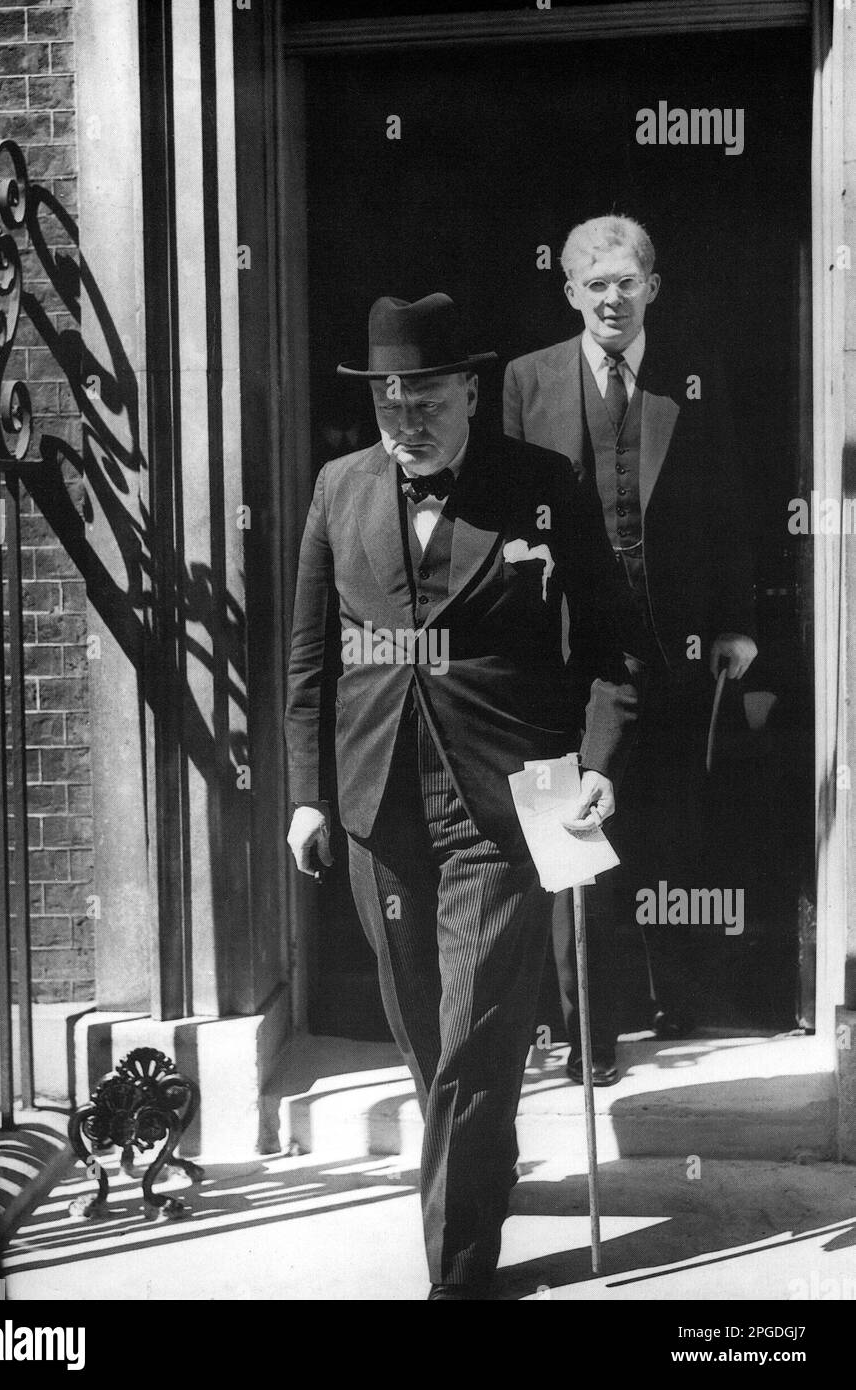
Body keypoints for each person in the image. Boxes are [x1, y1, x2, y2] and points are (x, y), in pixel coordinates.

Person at [285, 291, 644, 1299]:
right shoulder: (337, 488)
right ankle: (478, 1173)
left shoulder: (540, 486)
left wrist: (597, 771)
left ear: (471, 392)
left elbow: (616, 648)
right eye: (390, 398)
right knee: (429, 1040)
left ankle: (458, 1278)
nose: (408, 416)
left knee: (474, 1045)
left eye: (428, 395)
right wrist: (309, 796)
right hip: (376, 807)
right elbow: (310, 659)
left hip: (515, 801)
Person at [504, 214, 758, 1053]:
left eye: (627, 281)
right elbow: (505, 512)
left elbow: (725, 504)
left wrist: (734, 624)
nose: (612, 299)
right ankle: (586, 1034)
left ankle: (677, 1001)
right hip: (562, 650)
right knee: (571, 825)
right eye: (595, 283)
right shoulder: (526, 380)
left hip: (673, 644)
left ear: (652, 286)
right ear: (570, 292)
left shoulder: (689, 378)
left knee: (665, 827)